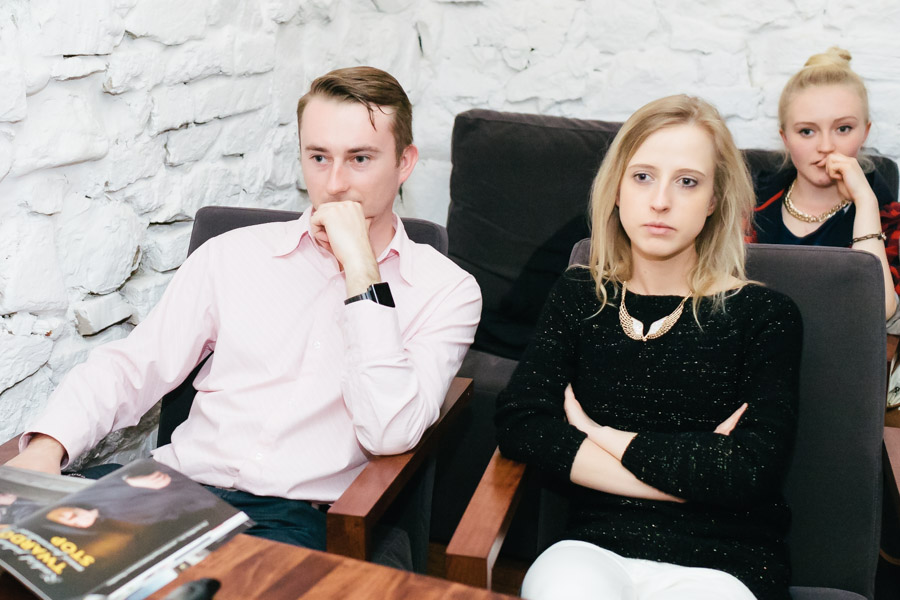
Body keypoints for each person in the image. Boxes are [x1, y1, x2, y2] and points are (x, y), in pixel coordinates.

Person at [5, 66, 482, 553]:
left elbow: (389, 432)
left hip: (292, 517)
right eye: (319, 157)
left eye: (360, 158)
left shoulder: (447, 291)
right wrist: (47, 446)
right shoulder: (231, 255)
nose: (335, 183)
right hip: (170, 488)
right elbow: (133, 365)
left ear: (404, 163)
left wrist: (362, 268)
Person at [495, 95, 802, 600]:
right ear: (617, 189)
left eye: (687, 181)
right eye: (642, 176)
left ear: (714, 199)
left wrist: (597, 434)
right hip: (593, 549)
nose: (661, 201)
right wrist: (687, 477)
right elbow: (521, 425)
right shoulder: (579, 295)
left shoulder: (764, 315)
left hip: (725, 564)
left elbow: (748, 471)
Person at [750, 46, 900, 323]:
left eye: (843, 129)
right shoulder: (748, 208)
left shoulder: (889, 218)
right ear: (785, 138)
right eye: (807, 131)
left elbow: (880, 311)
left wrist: (865, 203)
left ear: (865, 132)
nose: (826, 146)